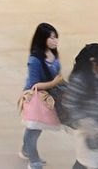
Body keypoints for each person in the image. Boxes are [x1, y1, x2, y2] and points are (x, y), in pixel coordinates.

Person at [21, 23, 64, 169]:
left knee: (34, 128)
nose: (55, 41)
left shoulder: (53, 54)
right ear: (42, 39)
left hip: (48, 96)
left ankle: (26, 150)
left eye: (55, 37)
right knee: (34, 129)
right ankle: (33, 159)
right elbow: (34, 86)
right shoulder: (35, 60)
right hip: (36, 98)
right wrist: (54, 82)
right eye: (51, 38)